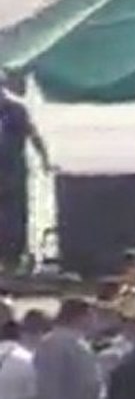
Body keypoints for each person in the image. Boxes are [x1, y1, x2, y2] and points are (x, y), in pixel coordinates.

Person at [0, 73, 51, 269]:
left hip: (12, 169)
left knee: (15, 215)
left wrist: (45, 160)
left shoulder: (16, 110)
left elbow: (34, 135)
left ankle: (13, 256)